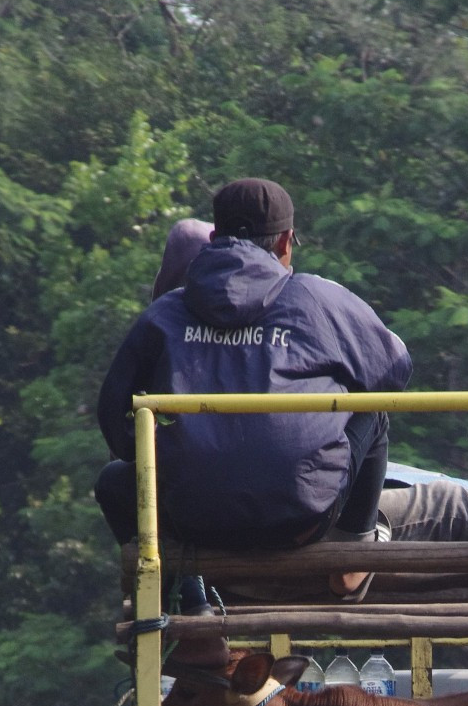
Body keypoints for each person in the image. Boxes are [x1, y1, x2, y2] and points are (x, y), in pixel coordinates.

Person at [95, 178, 411, 600]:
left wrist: (157, 458)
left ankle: (190, 609)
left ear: (215, 237)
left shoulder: (166, 311)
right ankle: (353, 555)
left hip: (192, 519)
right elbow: (395, 370)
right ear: (285, 242)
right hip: (300, 519)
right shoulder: (319, 299)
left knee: (115, 481)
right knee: (373, 407)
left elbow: (112, 410)